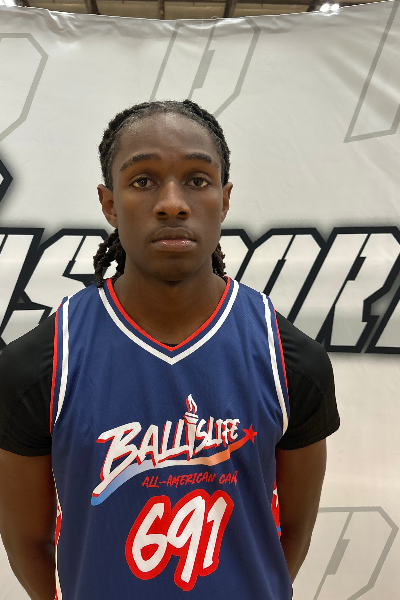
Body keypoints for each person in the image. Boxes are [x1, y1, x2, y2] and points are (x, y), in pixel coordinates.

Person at [0, 99, 339, 600]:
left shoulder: (290, 362)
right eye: (143, 181)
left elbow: (290, 534)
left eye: (198, 180)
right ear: (109, 203)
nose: (173, 203)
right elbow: (28, 543)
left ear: (224, 199)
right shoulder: (39, 366)